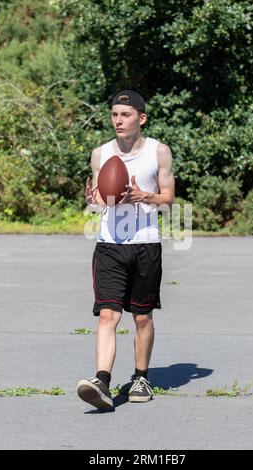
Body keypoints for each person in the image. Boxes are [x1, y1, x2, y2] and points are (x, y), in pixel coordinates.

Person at [77, 90, 175, 410]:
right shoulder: (100, 154)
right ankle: (101, 381)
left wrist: (144, 196)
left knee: (142, 318)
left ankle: (141, 377)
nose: (118, 120)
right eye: (115, 114)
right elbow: (101, 201)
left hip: (145, 244)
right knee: (108, 314)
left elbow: (168, 198)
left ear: (141, 118)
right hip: (109, 245)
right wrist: (93, 200)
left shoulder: (159, 152)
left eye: (125, 114)